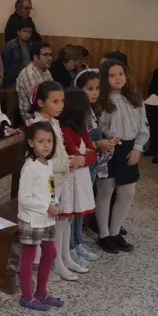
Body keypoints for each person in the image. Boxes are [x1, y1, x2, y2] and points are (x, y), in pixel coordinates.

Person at [26, 80, 79, 280]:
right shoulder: (39, 125)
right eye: (55, 102)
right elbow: (42, 159)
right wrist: (68, 163)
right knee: (43, 225)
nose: (60, 106)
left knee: (57, 221)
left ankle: (58, 260)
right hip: (44, 183)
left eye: (62, 101)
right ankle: (39, 267)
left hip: (57, 180)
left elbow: (58, 152)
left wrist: (68, 160)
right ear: (41, 103)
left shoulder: (53, 122)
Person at [95, 59, 149, 254]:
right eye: (112, 75)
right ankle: (104, 234)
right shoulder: (102, 100)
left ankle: (115, 231)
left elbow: (143, 127)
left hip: (129, 147)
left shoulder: (135, 98)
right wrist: (103, 139)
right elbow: (97, 127)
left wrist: (137, 148)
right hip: (108, 149)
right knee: (105, 191)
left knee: (127, 193)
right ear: (104, 78)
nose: (117, 78)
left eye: (120, 74)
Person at [16, 122, 62, 311]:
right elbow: (24, 198)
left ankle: (41, 292)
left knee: (50, 253)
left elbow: (49, 187)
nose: (46, 145)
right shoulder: (30, 168)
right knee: (29, 257)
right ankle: (27, 296)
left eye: (49, 141)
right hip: (32, 219)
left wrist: (55, 202)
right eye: (41, 141)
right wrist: (46, 207)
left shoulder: (48, 163)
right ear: (31, 143)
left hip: (46, 218)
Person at [56, 88, 97, 274]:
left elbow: (92, 153)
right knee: (62, 220)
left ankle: (67, 256)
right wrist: (84, 156)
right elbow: (75, 155)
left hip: (79, 179)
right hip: (67, 180)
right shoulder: (65, 130)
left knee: (70, 219)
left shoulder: (81, 130)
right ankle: (58, 260)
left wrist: (85, 157)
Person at [74, 69, 110, 263]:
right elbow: (77, 143)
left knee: (84, 203)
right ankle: (73, 244)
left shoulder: (92, 110)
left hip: (93, 163)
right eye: (90, 89)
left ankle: (78, 241)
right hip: (81, 165)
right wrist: (98, 144)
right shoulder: (77, 113)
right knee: (77, 205)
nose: (94, 93)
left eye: (97, 88)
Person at [15, 42, 54, 124]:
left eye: (50, 55)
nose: (50, 58)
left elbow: (53, 92)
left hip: (46, 113)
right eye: (46, 55)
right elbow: (37, 102)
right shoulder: (28, 74)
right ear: (36, 57)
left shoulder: (46, 71)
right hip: (33, 118)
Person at [2, 19, 34, 88]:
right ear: (18, 32)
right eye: (24, 31)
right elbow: (6, 67)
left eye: (29, 32)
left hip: (29, 78)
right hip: (14, 80)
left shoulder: (31, 45)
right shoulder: (10, 45)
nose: (27, 34)